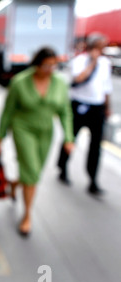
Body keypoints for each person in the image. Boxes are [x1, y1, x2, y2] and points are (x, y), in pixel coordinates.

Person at [0, 47, 75, 236]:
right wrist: (0, 137)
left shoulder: (60, 83)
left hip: (46, 132)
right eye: (46, 65)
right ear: (37, 64)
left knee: (34, 172)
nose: (50, 69)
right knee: (32, 173)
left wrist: (68, 137)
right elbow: (8, 110)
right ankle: (27, 216)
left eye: (54, 65)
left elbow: (65, 112)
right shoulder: (20, 81)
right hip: (23, 129)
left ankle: (15, 184)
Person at [57, 33, 112, 196]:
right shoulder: (79, 61)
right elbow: (79, 79)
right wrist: (93, 62)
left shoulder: (106, 63)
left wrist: (107, 107)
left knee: (96, 145)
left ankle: (93, 179)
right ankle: (63, 168)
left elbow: (106, 87)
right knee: (70, 137)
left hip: (97, 107)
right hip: (79, 104)